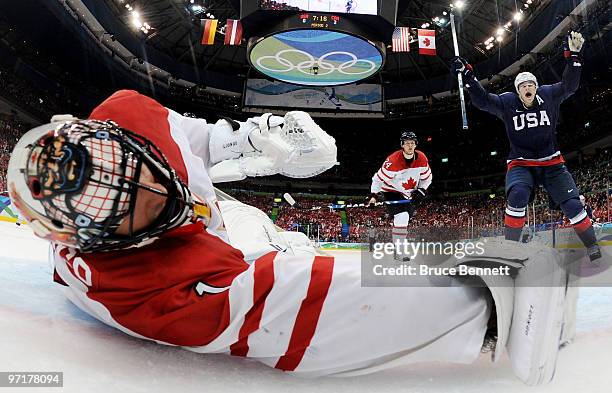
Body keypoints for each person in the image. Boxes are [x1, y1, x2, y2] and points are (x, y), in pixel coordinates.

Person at [6, 90, 570, 384]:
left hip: (230, 220)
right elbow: (301, 309)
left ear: (112, 136)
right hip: (229, 252)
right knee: (284, 255)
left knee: (272, 236)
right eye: (129, 210)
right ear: (89, 242)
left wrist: (254, 142)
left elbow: (193, 139)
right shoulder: (134, 291)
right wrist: (473, 299)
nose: (158, 194)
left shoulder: (130, 114)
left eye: (141, 170)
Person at [451, 31, 601, 262]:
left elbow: (570, 86)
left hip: (552, 162)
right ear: (518, 90)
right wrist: (469, 78)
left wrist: (574, 58)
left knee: (572, 205)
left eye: (531, 84)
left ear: (536, 87)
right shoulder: (507, 101)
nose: (528, 88)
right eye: (523, 85)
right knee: (518, 195)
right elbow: (482, 101)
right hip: (521, 163)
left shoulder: (548, 94)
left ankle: (592, 246)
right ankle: (511, 251)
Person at [367, 131, 432, 255]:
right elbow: (377, 179)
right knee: (402, 216)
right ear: (402, 145)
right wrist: (374, 196)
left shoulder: (422, 158)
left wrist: (422, 190)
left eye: (412, 143)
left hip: (409, 193)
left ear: (415, 145)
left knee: (405, 218)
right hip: (391, 190)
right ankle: (399, 250)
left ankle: (399, 247)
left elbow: (427, 179)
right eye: (407, 143)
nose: (410, 146)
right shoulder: (392, 161)